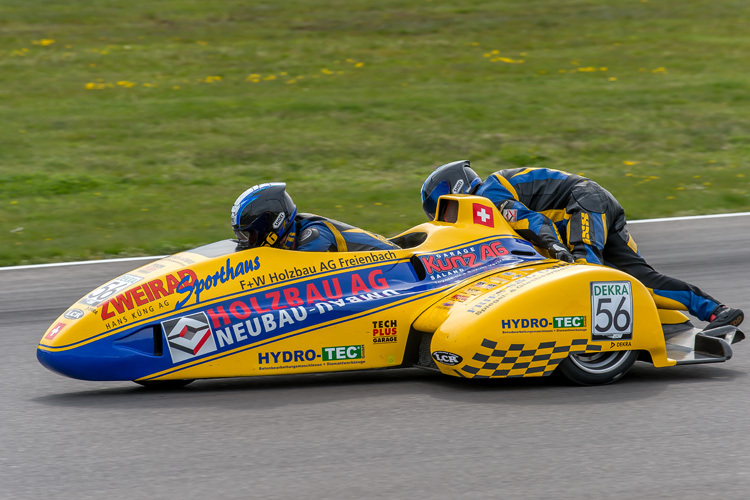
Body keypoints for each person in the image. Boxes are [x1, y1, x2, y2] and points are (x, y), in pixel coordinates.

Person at [420, 160, 744, 330]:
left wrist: (556, 247)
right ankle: (717, 312)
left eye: (441, 209)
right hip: (596, 202)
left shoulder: (488, 195)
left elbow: (533, 223)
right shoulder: (492, 193)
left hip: (584, 202)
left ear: (454, 193)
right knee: (638, 280)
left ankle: (597, 335)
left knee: (587, 269)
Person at [231, 182, 400, 252]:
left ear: (274, 222)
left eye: (249, 234)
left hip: (397, 267)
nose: (246, 241)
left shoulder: (313, 236)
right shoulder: (294, 230)